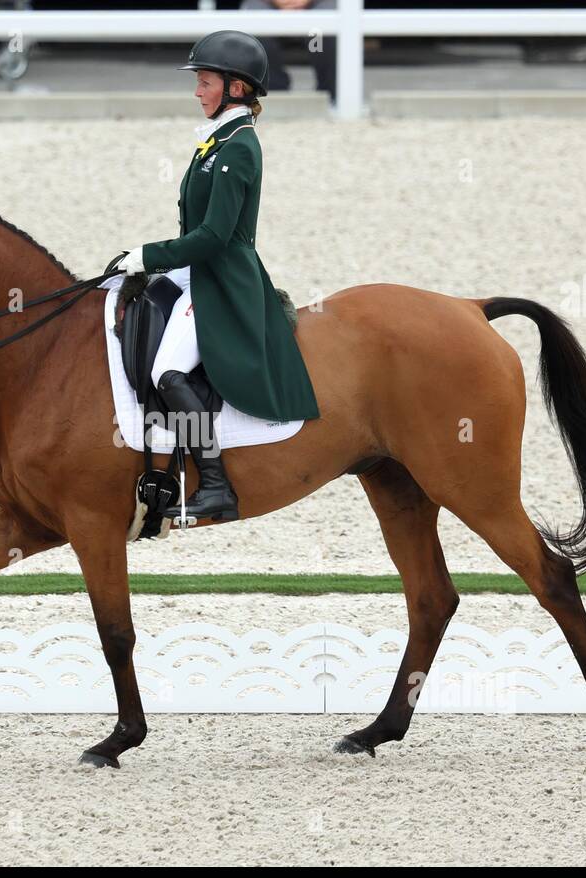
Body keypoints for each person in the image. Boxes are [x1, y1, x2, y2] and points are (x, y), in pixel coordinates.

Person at [119, 29, 320, 525]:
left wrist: (149, 254)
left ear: (235, 87)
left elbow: (213, 236)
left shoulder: (238, 147)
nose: (196, 91)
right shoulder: (217, 140)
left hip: (221, 281)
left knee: (167, 370)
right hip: (195, 272)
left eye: (205, 82)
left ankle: (215, 485)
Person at [239, 0, 338, 105]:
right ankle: (274, 95)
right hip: (266, 3)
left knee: (323, 32)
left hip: (318, 5)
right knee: (257, 25)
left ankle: (331, 95)